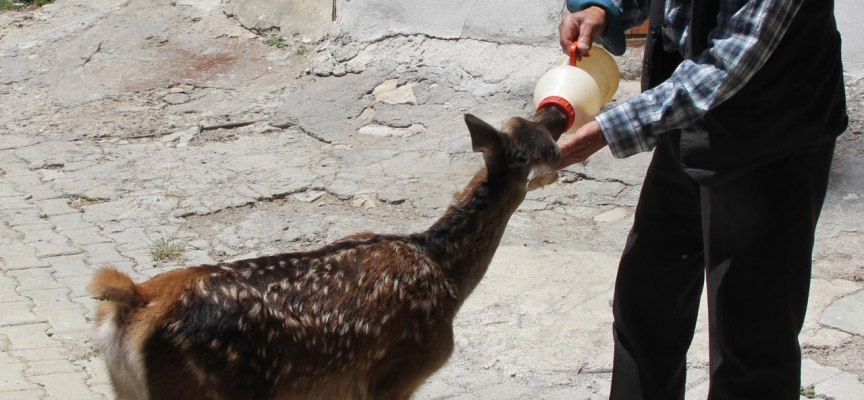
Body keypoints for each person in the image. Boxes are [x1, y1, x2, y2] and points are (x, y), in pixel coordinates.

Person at [555, 0, 848, 399]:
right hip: (688, 120)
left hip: (773, 137)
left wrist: (609, 131)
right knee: (646, 303)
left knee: (751, 339)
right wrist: (605, 9)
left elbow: (726, 65)